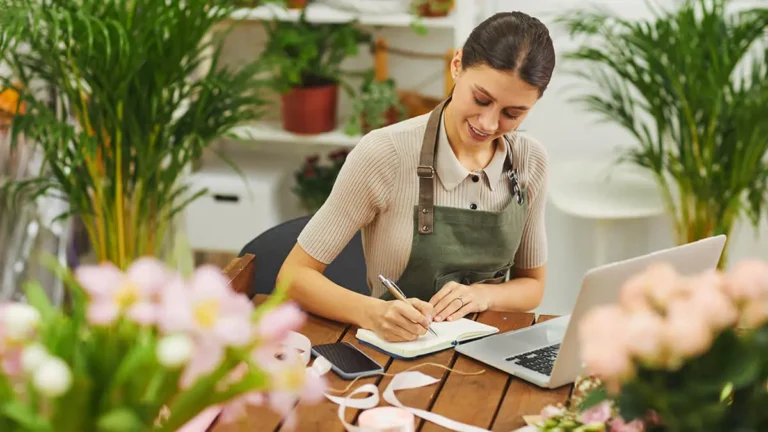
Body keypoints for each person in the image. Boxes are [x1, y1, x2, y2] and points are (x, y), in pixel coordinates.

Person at [278, 11, 556, 342]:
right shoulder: (385, 154)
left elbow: (532, 286)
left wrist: (484, 295)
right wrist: (372, 313)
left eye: (513, 113)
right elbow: (293, 277)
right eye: (481, 99)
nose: (488, 124)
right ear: (457, 65)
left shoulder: (530, 160)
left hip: (487, 353)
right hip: (396, 352)